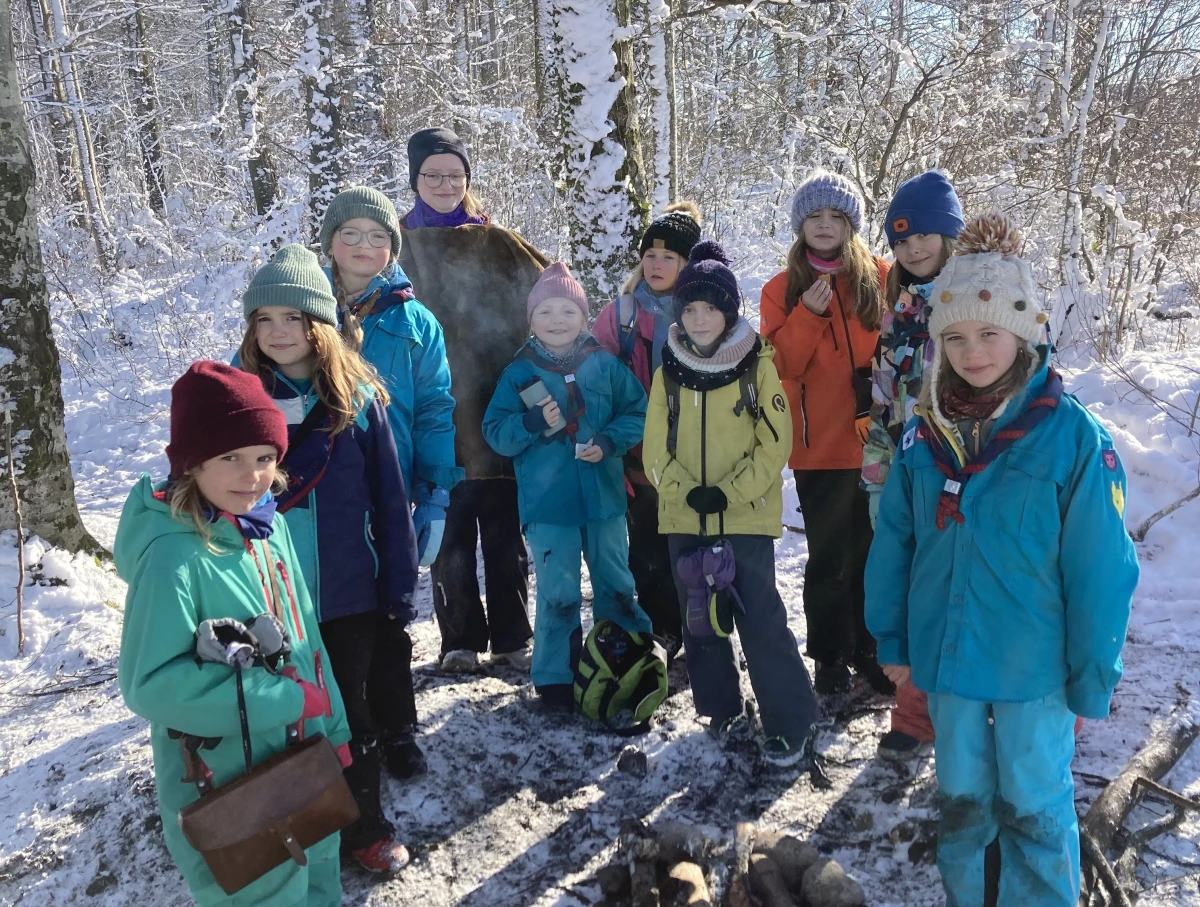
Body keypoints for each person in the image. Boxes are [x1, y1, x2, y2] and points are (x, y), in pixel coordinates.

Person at [865, 213, 1139, 907]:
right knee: (962, 802)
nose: (972, 351)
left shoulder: (1073, 438)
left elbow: (1101, 569)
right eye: (954, 336)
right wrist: (893, 642)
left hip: (1032, 668)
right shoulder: (923, 437)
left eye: (989, 332)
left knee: (1034, 805)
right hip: (950, 664)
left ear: (1024, 330)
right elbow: (894, 541)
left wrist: (1091, 673)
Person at [116, 361, 352, 907]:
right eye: (231, 458)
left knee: (319, 882)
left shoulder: (270, 531)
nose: (253, 476)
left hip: (303, 759)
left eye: (265, 458)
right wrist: (288, 699)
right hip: (228, 784)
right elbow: (151, 685)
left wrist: (333, 727)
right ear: (192, 463)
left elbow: (308, 640)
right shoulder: (171, 560)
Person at [240, 244, 419, 873]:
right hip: (266, 594)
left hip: (348, 593)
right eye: (265, 319)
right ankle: (291, 826)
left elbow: (392, 502)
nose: (279, 332)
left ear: (319, 324)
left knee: (348, 710)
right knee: (279, 712)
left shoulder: (358, 402)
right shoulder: (239, 405)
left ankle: (364, 826)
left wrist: (399, 587)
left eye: (293, 318)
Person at [643, 240, 820, 767]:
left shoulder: (755, 365)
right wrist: (682, 490)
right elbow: (654, 448)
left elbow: (774, 444)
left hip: (742, 515)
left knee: (759, 616)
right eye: (690, 308)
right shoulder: (667, 372)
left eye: (710, 308)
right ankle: (722, 710)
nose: (699, 319)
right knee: (700, 618)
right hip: (683, 516)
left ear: (729, 311)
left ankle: (791, 720)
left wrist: (728, 491)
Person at [396, 127, 550, 674]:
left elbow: (553, 298)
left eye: (455, 175)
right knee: (449, 532)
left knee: (506, 533)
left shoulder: (497, 241)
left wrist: (542, 382)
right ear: (415, 179)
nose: (444, 184)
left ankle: (512, 635)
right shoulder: (396, 248)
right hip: (433, 414)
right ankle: (458, 638)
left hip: (499, 407)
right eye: (433, 175)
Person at [482, 263, 652, 711]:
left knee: (617, 585)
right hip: (548, 506)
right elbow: (495, 431)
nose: (557, 321)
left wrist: (611, 441)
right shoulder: (519, 374)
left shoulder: (604, 365)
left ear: (583, 315)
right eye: (546, 312)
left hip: (604, 502)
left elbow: (639, 411)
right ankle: (557, 681)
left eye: (568, 311)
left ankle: (626, 666)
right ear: (531, 320)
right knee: (558, 594)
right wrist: (531, 422)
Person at [759, 169, 891, 696]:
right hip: (817, 447)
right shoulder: (780, 288)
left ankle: (871, 649)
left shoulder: (881, 278)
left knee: (875, 554)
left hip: (876, 442)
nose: (824, 225)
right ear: (800, 224)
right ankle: (830, 655)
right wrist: (807, 316)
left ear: (850, 224)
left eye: (836, 216)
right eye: (814, 216)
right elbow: (779, 364)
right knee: (830, 558)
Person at [861, 170, 964, 760]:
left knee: (956, 584)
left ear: (948, 234)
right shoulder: (898, 306)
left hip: (959, 464)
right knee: (911, 582)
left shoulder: (974, 298)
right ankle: (917, 711)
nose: (913, 249)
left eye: (923, 235)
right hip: (903, 462)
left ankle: (973, 706)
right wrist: (877, 465)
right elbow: (885, 389)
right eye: (900, 242)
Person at [593, 201, 703, 652]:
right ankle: (664, 627)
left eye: (669, 257)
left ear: (688, 263)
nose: (656, 265)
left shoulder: (704, 311)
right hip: (638, 454)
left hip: (693, 453)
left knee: (694, 544)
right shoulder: (620, 315)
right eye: (650, 254)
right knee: (649, 547)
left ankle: (701, 627)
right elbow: (594, 378)